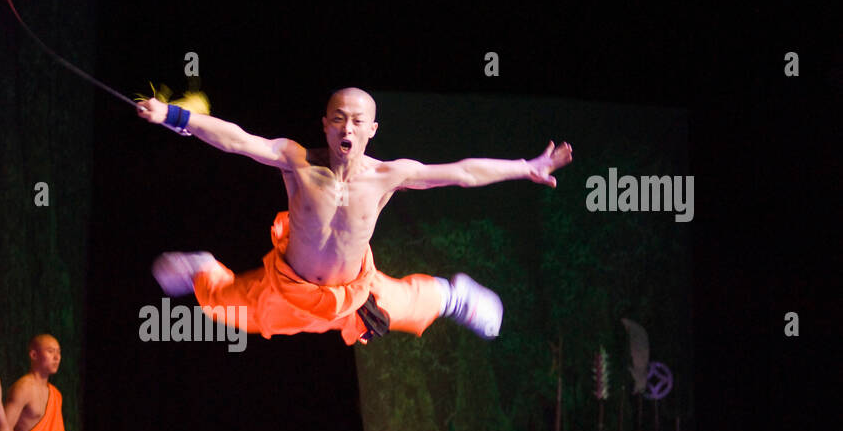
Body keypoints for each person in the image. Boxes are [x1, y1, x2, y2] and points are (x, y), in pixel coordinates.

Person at [141, 87, 572, 344]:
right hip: (290, 290)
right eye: (338, 120)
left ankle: (454, 296)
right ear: (325, 124)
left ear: (372, 130)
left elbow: (462, 173)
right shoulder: (297, 161)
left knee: (402, 304)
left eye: (357, 121)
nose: (347, 128)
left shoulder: (388, 175)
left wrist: (525, 167)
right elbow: (235, 139)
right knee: (229, 308)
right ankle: (203, 269)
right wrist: (173, 116)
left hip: (354, 295)